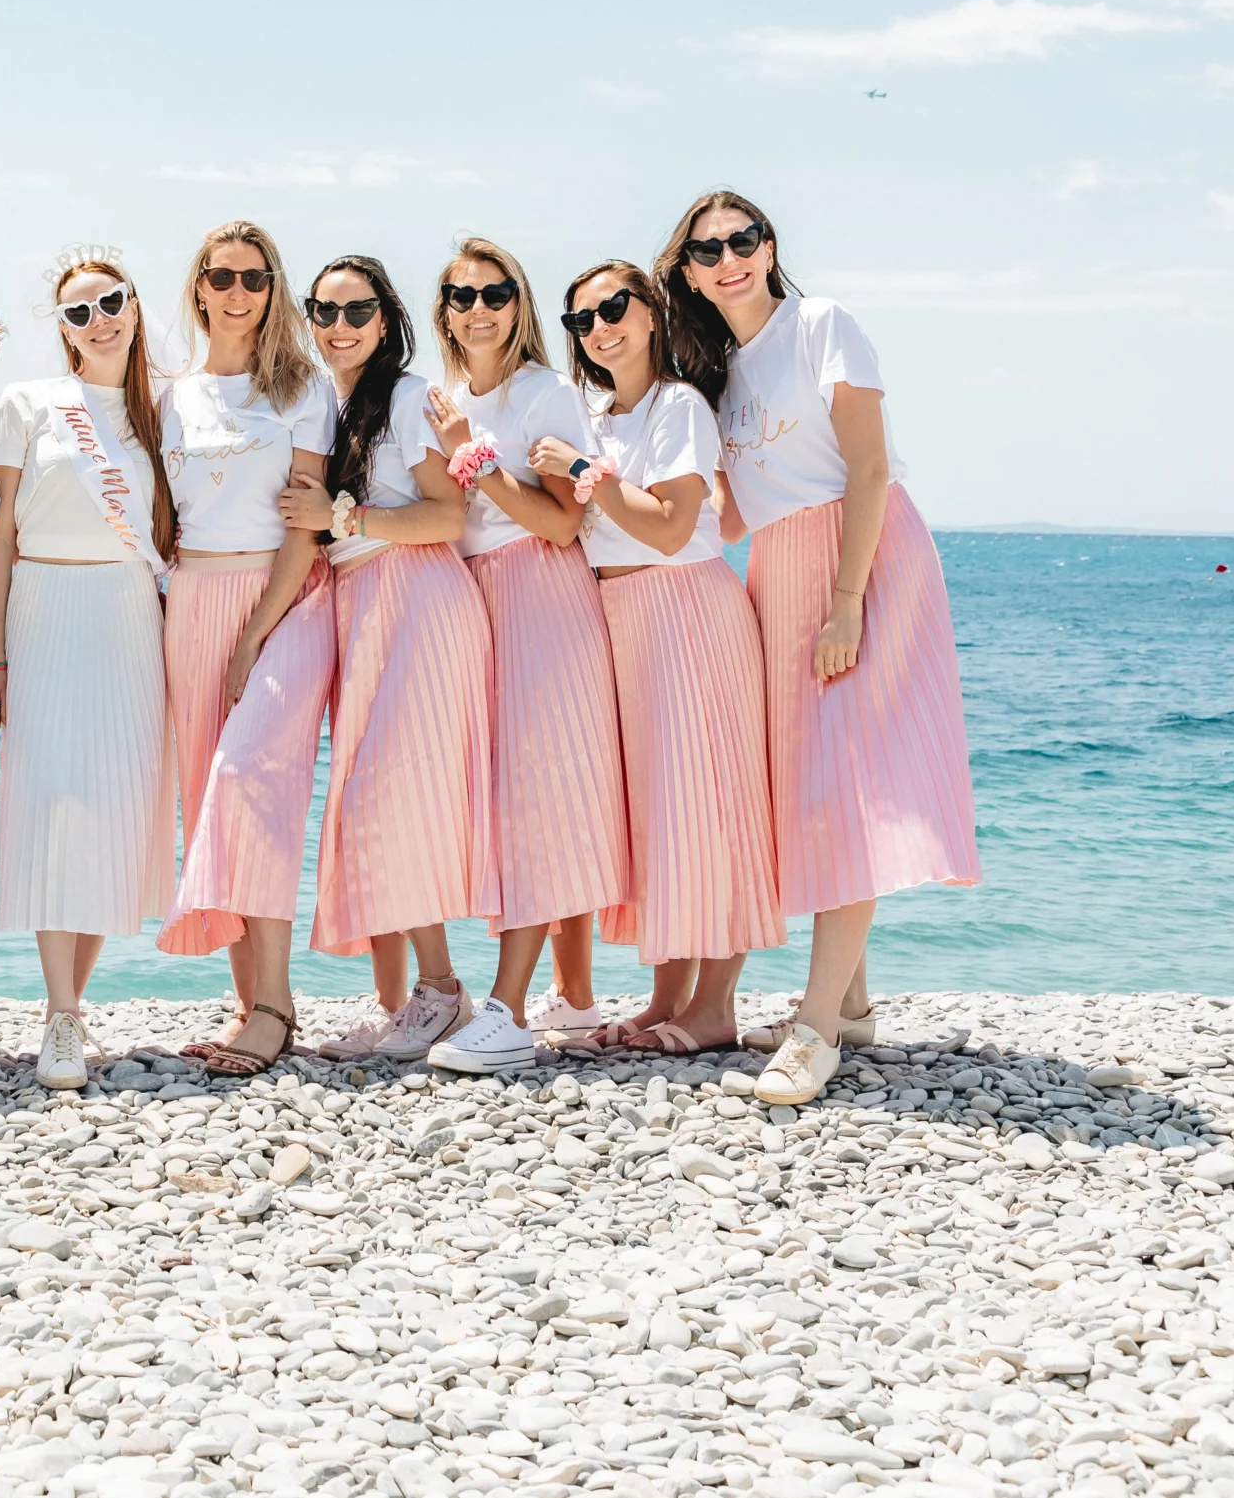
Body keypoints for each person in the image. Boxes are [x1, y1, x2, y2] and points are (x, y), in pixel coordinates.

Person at [655, 191, 980, 1105]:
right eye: (708, 249)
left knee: (849, 786)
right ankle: (855, 1001)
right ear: (687, 271)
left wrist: (845, 601)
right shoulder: (717, 375)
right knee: (815, 788)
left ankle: (814, 1026)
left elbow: (869, 468)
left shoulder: (820, 325)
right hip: (778, 567)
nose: (730, 258)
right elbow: (721, 515)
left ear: (768, 246)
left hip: (862, 558)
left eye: (744, 239)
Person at [533, 263, 782, 1054]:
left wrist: (580, 473)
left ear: (649, 314)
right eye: (582, 320)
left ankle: (715, 1005)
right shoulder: (596, 414)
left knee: (711, 797)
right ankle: (666, 997)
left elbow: (674, 526)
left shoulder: (680, 405)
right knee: (663, 810)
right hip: (622, 616)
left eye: (614, 307)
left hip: (686, 608)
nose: (601, 326)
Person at [276, 256, 497, 1063]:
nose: (339, 326)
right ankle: (409, 999)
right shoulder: (328, 401)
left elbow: (444, 516)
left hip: (417, 597)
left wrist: (340, 510)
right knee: (369, 798)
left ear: (385, 315)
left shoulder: (406, 398)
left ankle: (437, 990)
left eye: (357, 310)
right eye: (324, 311)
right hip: (363, 602)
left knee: (391, 795)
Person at [420, 238, 631, 1077]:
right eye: (462, 295)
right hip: (479, 599)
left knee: (539, 799)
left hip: (541, 592)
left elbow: (561, 523)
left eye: (496, 292)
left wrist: (474, 456)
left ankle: (507, 1011)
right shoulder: (445, 395)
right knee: (521, 795)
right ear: (443, 309)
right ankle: (572, 1000)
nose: (480, 308)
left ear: (519, 301)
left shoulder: (545, 391)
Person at [0, 251, 177, 1090]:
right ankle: (60, 1014)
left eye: (111, 302)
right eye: (78, 311)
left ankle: (72, 1008)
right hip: (45, 608)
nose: (98, 319)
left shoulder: (162, 413)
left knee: (112, 807)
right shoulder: (28, 404)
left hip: (129, 615)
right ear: (61, 328)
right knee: (53, 800)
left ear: (135, 307)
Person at [157, 221, 338, 1078]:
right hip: (192, 598)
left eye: (256, 279)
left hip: (285, 598)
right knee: (209, 794)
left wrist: (258, 629)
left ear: (273, 290)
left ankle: (276, 1004)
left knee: (251, 781)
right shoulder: (173, 397)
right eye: (223, 277)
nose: (239, 292)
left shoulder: (304, 388)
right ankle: (246, 1003)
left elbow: (306, 521)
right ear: (199, 288)